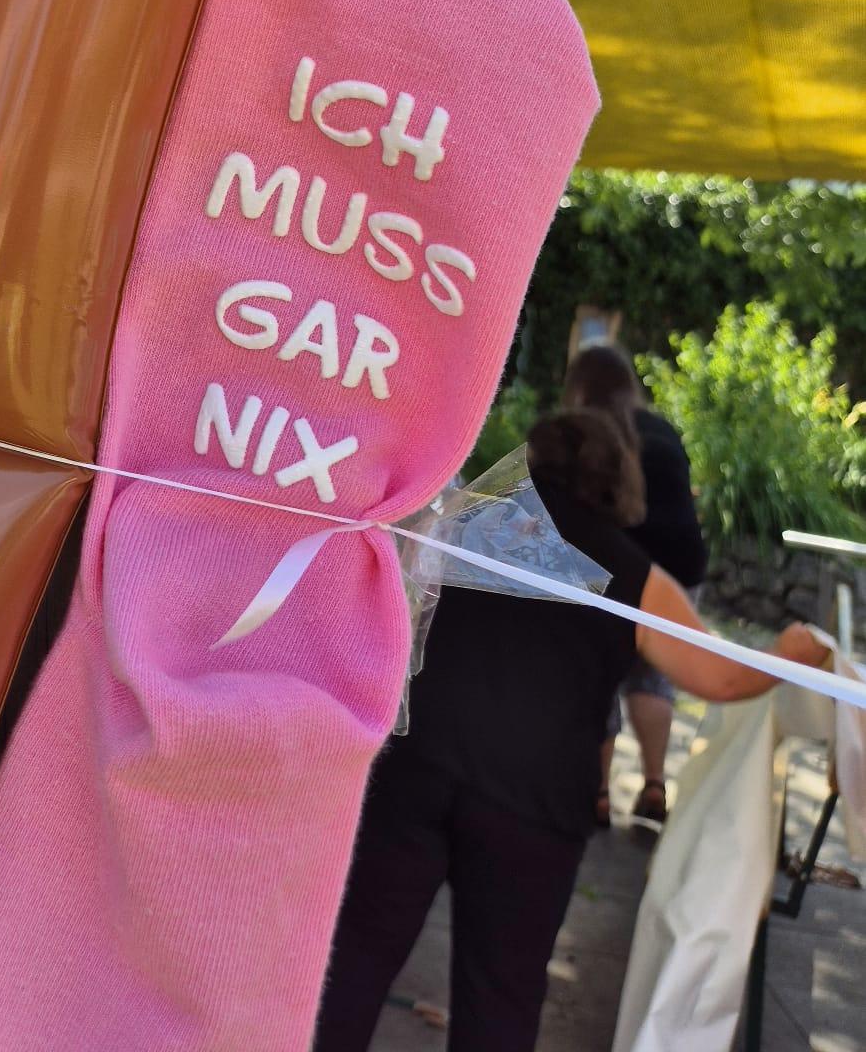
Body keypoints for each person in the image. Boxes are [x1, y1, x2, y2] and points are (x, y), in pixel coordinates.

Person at [314, 409, 827, 1052]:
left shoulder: (461, 523)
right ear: (621, 481)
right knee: (500, 996)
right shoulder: (635, 574)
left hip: (417, 769)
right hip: (534, 807)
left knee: (352, 962)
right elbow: (719, 678)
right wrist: (787, 652)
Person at [564, 339, 707, 826]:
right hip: (683, 569)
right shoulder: (662, 429)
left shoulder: (593, 434)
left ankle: (599, 794)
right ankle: (654, 785)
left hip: (623, 568)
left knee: (599, 674)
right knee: (653, 677)